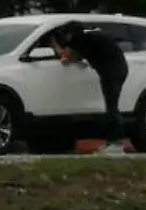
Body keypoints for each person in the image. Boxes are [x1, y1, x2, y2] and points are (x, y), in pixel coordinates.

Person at [50, 22, 128, 155]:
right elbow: (77, 57)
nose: (65, 37)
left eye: (66, 34)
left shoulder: (79, 40)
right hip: (118, 69)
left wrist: (54, 45)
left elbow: (67, 58)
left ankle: (117, 144)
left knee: (112, 108)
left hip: (111, 73)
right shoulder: (89, 38)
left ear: (71, 34)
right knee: (111, 107)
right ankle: (113, 144)